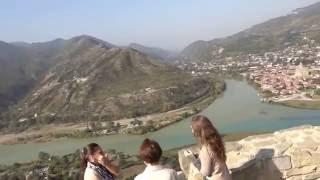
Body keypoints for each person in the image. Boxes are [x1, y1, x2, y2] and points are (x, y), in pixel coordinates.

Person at [191, 115, 232, 180]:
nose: (191, 129)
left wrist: (198, 165)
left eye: (192, 128)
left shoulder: (206, 149)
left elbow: (205, 172)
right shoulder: (217, 141)